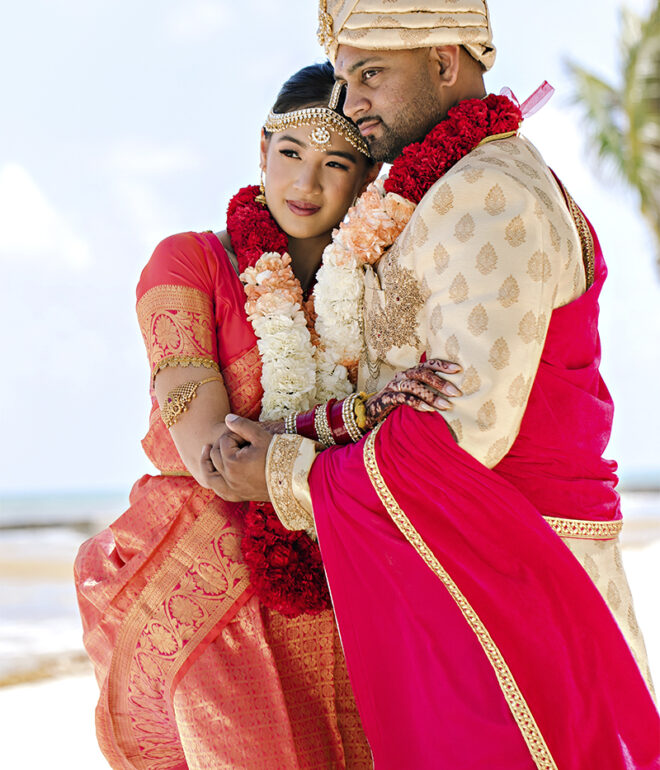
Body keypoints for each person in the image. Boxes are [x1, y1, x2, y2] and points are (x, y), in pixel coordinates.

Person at [203, 2, 660, 768]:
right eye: (345, 81)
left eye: (371, 76)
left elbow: (462, 432)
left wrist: (283, 474)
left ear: (445, 61)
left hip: (515, 591)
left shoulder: (490, 193)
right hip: (465, 580)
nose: (352, 107)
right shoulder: (441, 188)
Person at [75, 61, 458, 769]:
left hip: (353, 591)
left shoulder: (383, 286)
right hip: (214, 603)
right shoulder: (189, 264)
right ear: (261, 149)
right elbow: (216, 459)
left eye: (336, 163)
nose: (305, 185)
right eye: (290, 155)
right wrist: (361, 415)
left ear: (368, 176)